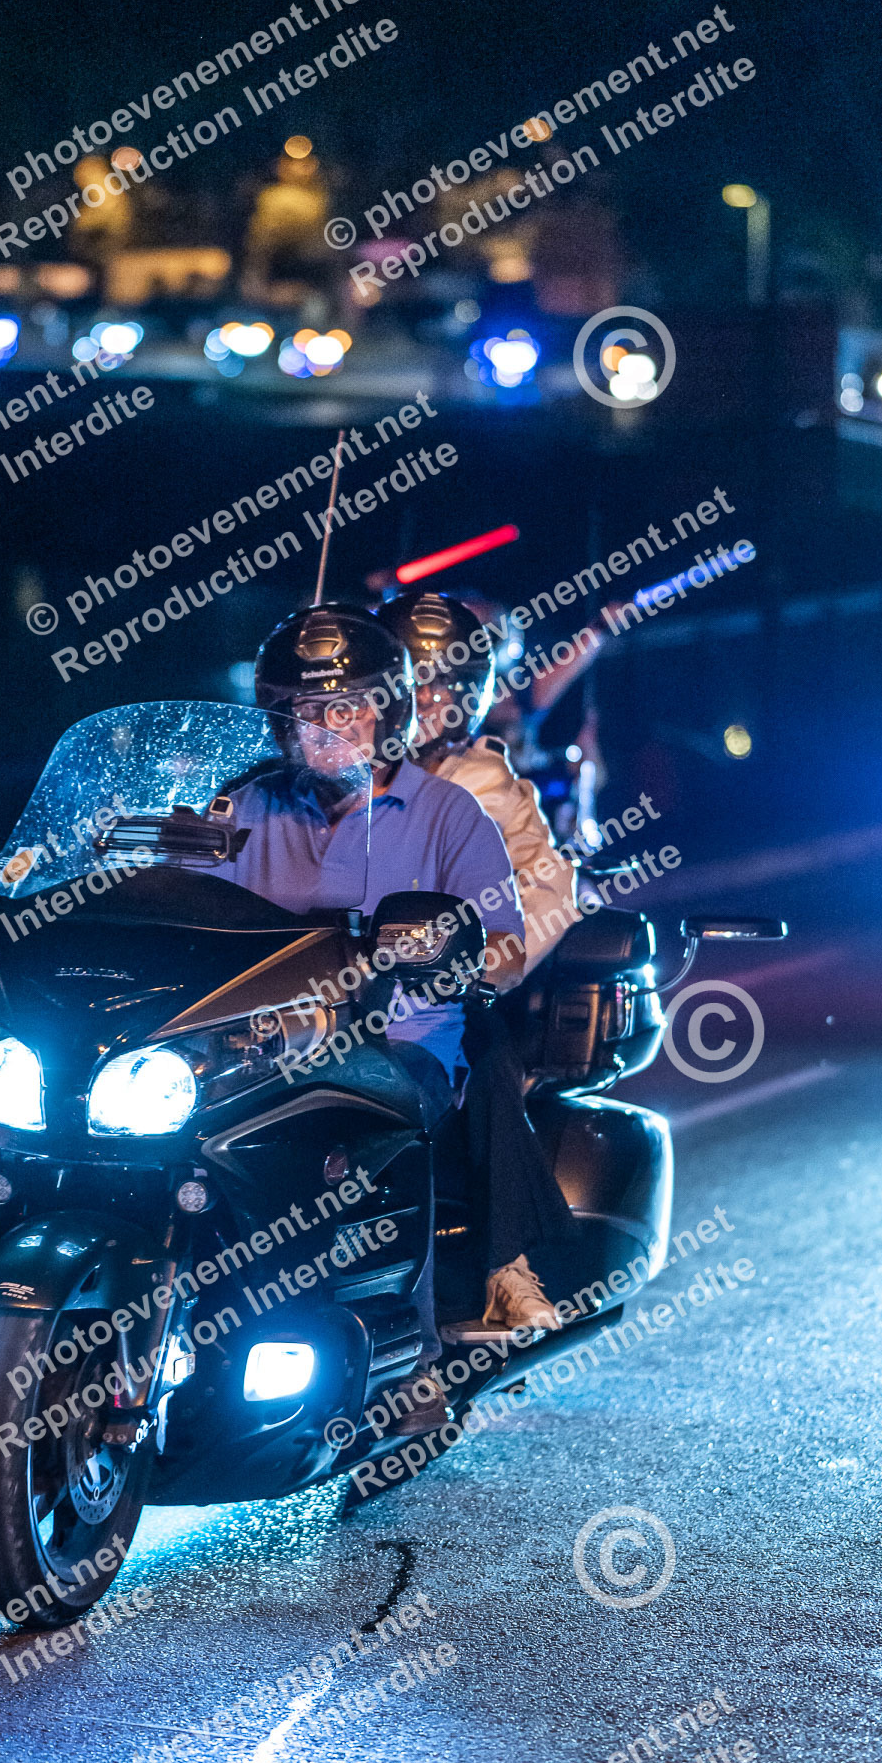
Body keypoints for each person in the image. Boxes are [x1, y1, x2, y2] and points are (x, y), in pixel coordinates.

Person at [231, 605, 573, 1430]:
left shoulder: (452, 808)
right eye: (304, 711)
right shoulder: (247, 806)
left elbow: (506, 934)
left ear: (386, 710)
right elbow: (169, 883)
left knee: (378, 1121)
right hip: (262, 1039)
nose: (325, 728)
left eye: (345, 707)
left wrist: (452, 958)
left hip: (400, 1036)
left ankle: (412, 1359)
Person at [374, 589, 579, 973]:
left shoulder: (483, 780)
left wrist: (474, 973)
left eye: (443, 683)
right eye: (412, 680)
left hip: (432, 983)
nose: (427, 698)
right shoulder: (343, 775)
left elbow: (548, 891)